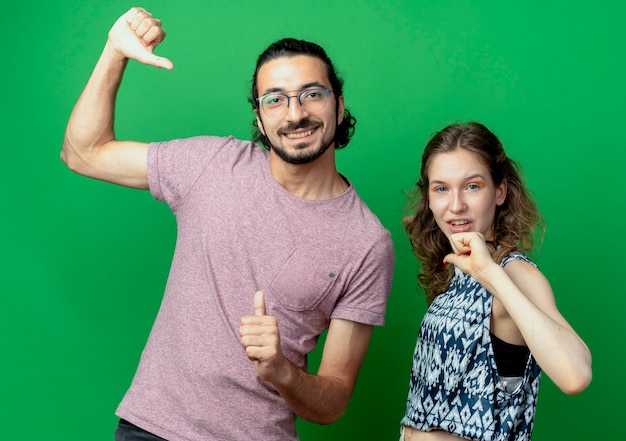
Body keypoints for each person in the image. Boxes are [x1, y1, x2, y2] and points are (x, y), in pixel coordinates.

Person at [61, 7, 394, 441]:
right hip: (151, 429)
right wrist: (114, 53)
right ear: (259, 118)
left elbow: (332, 403)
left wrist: (282, 372)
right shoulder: (213, 165)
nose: (295, 114)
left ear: (339, 103)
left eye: (312, 93)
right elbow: (83, 152)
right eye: (275, 99)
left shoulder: (366, 242)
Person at [399, 122, 591, 441]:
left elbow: (575, 375)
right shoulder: (458, 274)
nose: (456, 205)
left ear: (499, 191)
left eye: (472, 186)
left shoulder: (512, 272)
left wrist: (491, 274)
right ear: (429, 198)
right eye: (441, 188)